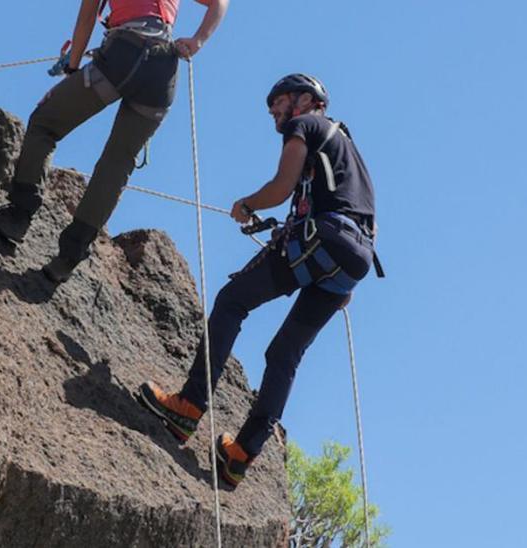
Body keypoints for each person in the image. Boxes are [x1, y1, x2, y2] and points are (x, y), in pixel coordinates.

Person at [137, 74, 380, 489]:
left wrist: (248, 204)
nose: (275, 114)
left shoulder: (306, 125)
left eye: (279, 103)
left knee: (233, 300)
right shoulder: (349, 152)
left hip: (327, 236)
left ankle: (189, 407)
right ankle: (241, 455)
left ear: (304, 101)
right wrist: (343, 284)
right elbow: (358, 215)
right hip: (353, 259)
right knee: (285, 354)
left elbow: (283, 187)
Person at [0, 0, 228, 283]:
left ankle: (18, 216)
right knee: (116, 165)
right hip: (162, 74)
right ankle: (68, 257)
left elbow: (86, 21)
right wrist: (198, 41)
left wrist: (71, 72)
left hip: (124, 55)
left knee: (45, 123)